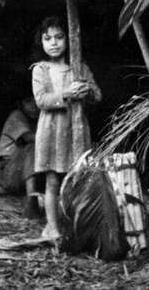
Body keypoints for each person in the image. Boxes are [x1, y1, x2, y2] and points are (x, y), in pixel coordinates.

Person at [31, 16, 101, 240]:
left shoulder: (79, 67)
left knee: (78, 179)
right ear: (41, 42)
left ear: (68, 40)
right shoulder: (40, 69)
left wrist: (86, 91)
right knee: (52, 180)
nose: (54, 43)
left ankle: (79, 228)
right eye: (47, 38)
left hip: (75, 130)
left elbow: (98, 96)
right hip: (52, 131)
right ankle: (52, 226)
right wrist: (66, 94)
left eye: (59, 37)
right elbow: (41, 100)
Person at [0, 96, 40, 218]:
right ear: (20, 104)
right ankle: (32, 202)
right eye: (28, 101)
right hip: (6, 170)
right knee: (31, 147)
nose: (33, 106)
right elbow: (31, 138)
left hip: (19, 172)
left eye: (35, 100)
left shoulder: (37, 119)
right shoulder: (17, 116)